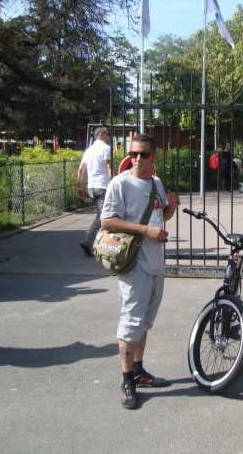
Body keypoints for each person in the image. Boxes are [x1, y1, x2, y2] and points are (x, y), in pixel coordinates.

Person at [100, 133, 180, 410]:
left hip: (155, 262)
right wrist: (145, 230)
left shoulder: (156, 182)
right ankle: (126, 381)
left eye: (143, 154)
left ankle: (138, 370)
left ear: (154, 156)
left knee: (145, 320)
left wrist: (172, 206)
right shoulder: (120, 184)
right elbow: (107, 222)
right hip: (134, 264)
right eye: (134, 153)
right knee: (131, 321)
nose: (137, 159)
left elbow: (161, 216)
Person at [77, 126, 112, 257]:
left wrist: (79, 187)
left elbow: (81, 169)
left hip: (91, 187)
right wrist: (115, 182)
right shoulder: (105, 148)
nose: (109, 138)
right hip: (103, 186)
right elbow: (108, 165)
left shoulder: (89, 150)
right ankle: (89, 242)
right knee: (104, 216)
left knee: (103, 215)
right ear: (101, 135)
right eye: (108, 135)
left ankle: (100, 243)